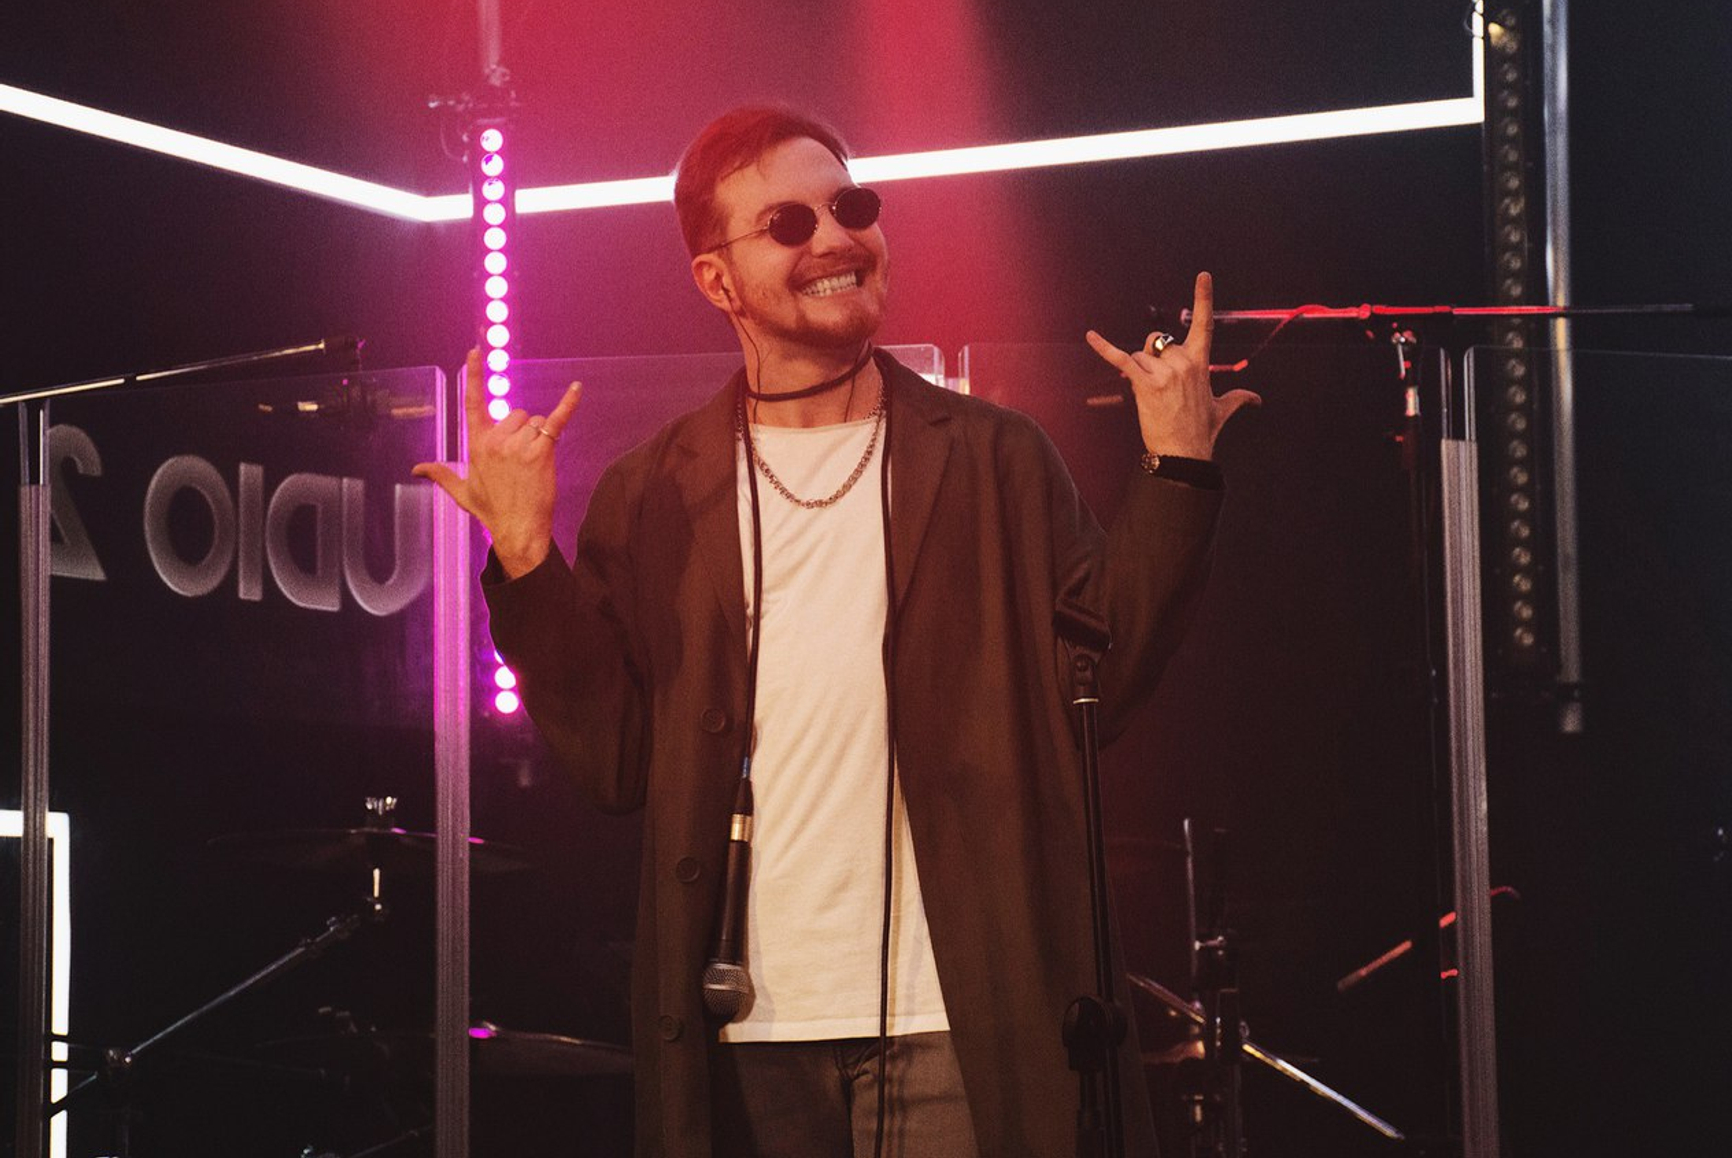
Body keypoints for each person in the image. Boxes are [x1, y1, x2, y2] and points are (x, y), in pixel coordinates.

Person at [415, 106, 1258, 1158]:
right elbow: (618, 761)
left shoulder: (992, 459)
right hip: (746, 1037)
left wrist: (1177, 471)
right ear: (717, 280)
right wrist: (527, 561)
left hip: (956, 1023)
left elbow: (1105, 679)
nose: (835, 237)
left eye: (851, 207)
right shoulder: (655, 492)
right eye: (787, 223)